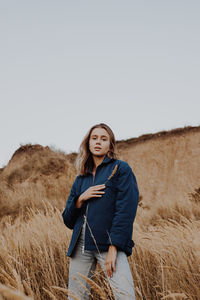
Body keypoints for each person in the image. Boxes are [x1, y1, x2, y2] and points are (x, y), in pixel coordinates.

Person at [62, 123, 139, 300]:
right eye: (94, 138)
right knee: (75, 297)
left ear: (110, 145)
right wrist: (80, 199)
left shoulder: (120, 169)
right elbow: (67, 219)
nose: (98, 142)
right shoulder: (81, 177)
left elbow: (126, 211)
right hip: (80, 246)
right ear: (88, 143)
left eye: (104, 139)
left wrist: (114, 248)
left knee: (125, 296)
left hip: (109, 243)